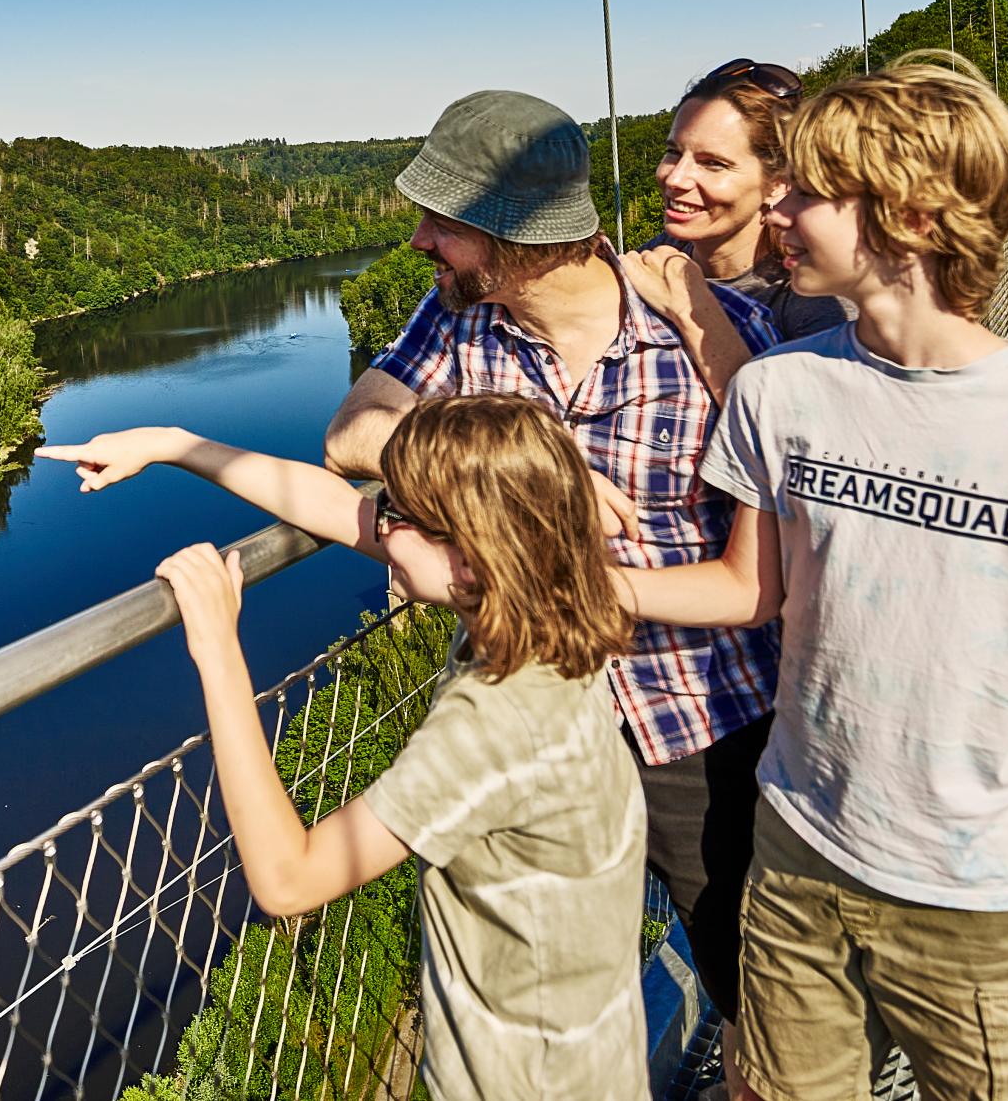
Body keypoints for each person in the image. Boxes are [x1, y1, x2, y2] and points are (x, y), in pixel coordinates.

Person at [617, 55, 1008, 1101]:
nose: (775, 206)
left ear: (912, 216)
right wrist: (565, 583)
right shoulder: (779, 392)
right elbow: (749, 590)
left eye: (809, 191)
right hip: (793, 854)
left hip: (978, 893)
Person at [323, 88, 776, 1089]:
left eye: (441, 221)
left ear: (517, 238)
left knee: (757, 1005)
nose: (417, 241)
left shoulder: (715, 333)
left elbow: (792, 506)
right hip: (529, 716)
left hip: (697, 726)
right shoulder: (455, 324)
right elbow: (351, 432)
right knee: (539, 1013)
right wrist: (537, 470)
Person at [38, 396, 649, 1101]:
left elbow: (287, 881)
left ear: (474, 555)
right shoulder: (554, 611)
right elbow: (330, 503)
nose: (379, 527)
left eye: (396, 515)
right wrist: (174, 443)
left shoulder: (497, 721)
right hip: (593, 1053)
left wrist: (217, 651)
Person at [646, 58, 848, 342]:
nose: (675, 179)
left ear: (778, 185)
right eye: (674, 152)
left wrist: (691, 311)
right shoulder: (660, 254)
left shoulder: (813, 303)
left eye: (713, 163)